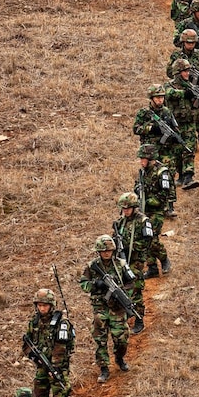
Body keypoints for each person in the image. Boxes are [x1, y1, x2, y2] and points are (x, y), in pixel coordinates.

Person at [22, 287, 75, 397]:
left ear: (51, 305)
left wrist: (54, 368)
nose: (42, 308)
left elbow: (61, 347)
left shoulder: (62, 323)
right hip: (42, 367)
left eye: (44, 305)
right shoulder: (34, 322)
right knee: (40, 396)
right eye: (39, 305)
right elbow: (26, 344)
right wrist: (34, 357)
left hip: (58, 368)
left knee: (59, 396)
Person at [79, 236, 133, 383]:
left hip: (118, 308)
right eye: (103, 251)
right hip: (100, 308)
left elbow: (131, 282)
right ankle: (104, 368)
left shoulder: (121, 264)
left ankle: (119, 358)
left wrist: (121, 294)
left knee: (121, 339)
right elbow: (83, 284)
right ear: (99, 251)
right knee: (100, 340)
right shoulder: (92, 266)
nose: (107, 253)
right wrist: (96, 284)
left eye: (109, 250)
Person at [133, 83, 183, 217]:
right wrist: (151, 128)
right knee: (150, 178)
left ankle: (170, 205)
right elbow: (136, 129)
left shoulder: (167, 112)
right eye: (157, 97)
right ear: (151, 98)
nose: (160, 100)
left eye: (162, 97)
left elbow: (175, 128)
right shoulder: (144, 113)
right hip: (149, 152)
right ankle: (147, 205)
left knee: (168, 175)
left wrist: (175, 137)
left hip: (166, 150)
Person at [113, 191, 154, 334]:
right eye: (123, 208)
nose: (125, 211)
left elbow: (147, 242)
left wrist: (130, 247)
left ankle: (139, 319)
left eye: (128, 208)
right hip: (122, 260)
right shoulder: (120, 222)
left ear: (134, 207)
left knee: (135, 289)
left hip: (136, 261)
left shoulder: (143, 221)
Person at [166, 27, 199, 150]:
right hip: (181, 89)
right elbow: (169, 73)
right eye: (188, 42)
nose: (190, 45)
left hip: (197, 90)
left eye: (193, 43)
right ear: (183, 42)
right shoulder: (176, 55)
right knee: (182, 114)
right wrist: (182, 71)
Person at [135, 143, 173, 279]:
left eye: (143, 158)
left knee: (152, 238)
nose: (141, 161)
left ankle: (164, 259)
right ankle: (152, 267)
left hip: (157, 211)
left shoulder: (162, 172)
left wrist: (149, 201)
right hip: (143, 210)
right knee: (144, 237)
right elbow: (137, 187)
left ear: (150, 158)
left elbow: (165, 194)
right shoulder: (143, 172)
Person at [165, 58, 199, 189]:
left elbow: (194, 105)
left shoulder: (191, 86)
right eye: (185, 71)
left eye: (188, 71)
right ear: (178, 73)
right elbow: (170, 94)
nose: (187, 74)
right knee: (177, 152)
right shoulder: (169, 86)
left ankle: (188, 177)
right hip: (175, 125)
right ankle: (180, 176)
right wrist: (186, 93)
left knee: (189, 149)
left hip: (189, 123)